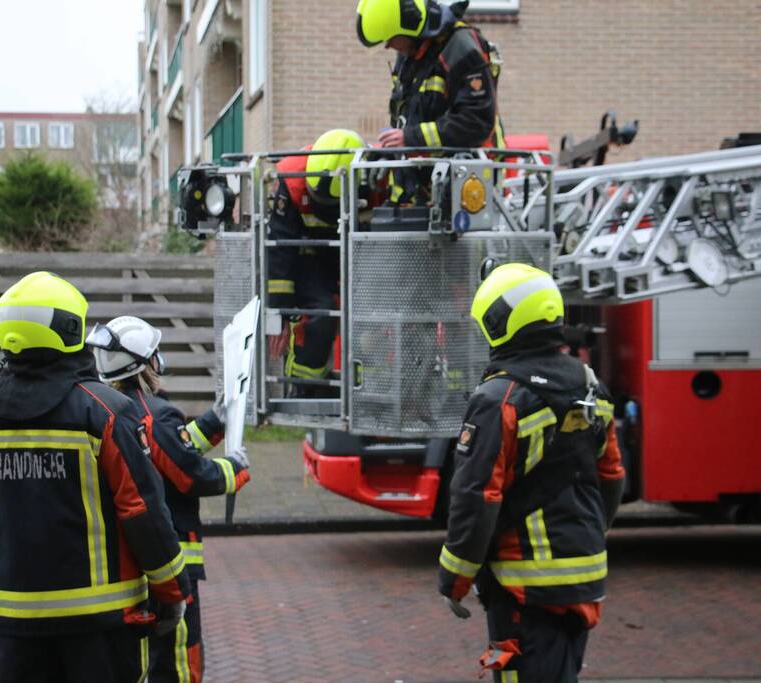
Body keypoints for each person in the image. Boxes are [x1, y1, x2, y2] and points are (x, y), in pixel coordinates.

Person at [0, 271, 190, 683]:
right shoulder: (106, 412)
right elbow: (142, 511)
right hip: (101, 629)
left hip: (13, 630)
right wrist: (172, 592)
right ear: (69, 327)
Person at [437, 263, 626, 683]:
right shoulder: (591, 386)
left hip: (527, 585)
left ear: (500, 322)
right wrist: (588, 536)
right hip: (585, 580)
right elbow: (611, 475)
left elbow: (476, 496)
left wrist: (454, 577)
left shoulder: (499, 398)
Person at [86, 315, 250, 683]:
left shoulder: (107, 408)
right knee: (177, 660)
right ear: (144, 364)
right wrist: (235, 470)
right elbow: (188, 475)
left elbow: (171, 450)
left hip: (127, 562)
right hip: (171, 560)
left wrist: (213, 421)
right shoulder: (154, 414)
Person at [356, 0, 505, 204]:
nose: (388, 45)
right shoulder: (410, 54)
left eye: (390, 37)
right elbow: (408, 119)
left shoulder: (460, 46)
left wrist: (411, 137)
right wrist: (389, 152)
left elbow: (476, 121)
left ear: (410, 25)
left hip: (465, 193)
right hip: (420, 194)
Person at [267, 128, 367, 395]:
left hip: (363, 260)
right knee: (320, 317)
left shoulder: (374, 178)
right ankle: (304, 390)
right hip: (309, 258)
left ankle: (368, 392)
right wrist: (279, 315)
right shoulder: (292, 177)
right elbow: (280, 251)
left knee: (372, 323)